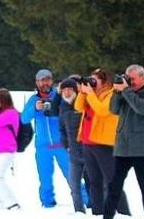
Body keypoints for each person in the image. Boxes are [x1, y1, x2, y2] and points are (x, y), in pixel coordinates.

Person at [21, 69, 89, 208]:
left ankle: (86, 200)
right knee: (44, 177)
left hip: (61, 144)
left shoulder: (59, 95)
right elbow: (23, 119)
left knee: (72, 175)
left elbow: (70, 110)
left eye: (47, 80)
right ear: (37, 82)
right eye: (42, 80)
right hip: (43, 146)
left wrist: (54, 109)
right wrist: (35, 108)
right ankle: (47, 203)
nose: (45, 83)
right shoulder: (33, 100)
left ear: (52, 81)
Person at [102, 64, 144, 219]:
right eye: (128, 78)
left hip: (143, 147)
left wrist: (126, 90)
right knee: (114, 184)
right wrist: (117, 91)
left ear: (143, 77)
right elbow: (113, 109)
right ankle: (107, 215)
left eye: (133, 79)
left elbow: (142, 108)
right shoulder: (126, 91)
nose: (130, 82)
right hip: (123, 146)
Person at [76, 68, 130, 217]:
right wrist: (83, 92)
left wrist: (90, 94)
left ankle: (123, 213)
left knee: (112, 181)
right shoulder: (91, 93)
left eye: (95, 80)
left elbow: (102, 110)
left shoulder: (112, 94)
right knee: (94, 181)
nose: (92, 82)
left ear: (105, 81)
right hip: (87, 141)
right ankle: (98, 213)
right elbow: (78, 107)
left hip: (104, 143)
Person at [58, 76, 90, 214]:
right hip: (73, 152)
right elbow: (62, 129)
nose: (67, 92)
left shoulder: (83, 103)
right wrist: (66, 144)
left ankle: (96, 209)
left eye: (70, 89)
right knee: (74, 185)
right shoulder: (62, 107)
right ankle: (79, 212)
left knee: (93, 183)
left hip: (88, 150)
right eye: (64, 89)